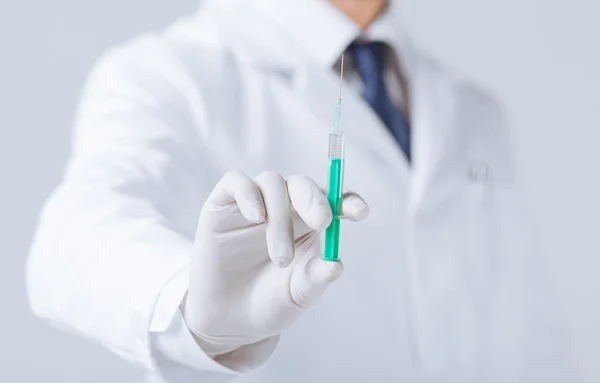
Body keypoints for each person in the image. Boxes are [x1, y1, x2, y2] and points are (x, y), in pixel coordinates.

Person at [26, 0, 575, 382]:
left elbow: (529, 326)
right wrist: (196, 310)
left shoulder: (470, 106)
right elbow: (73, 238)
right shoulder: (168, 73)